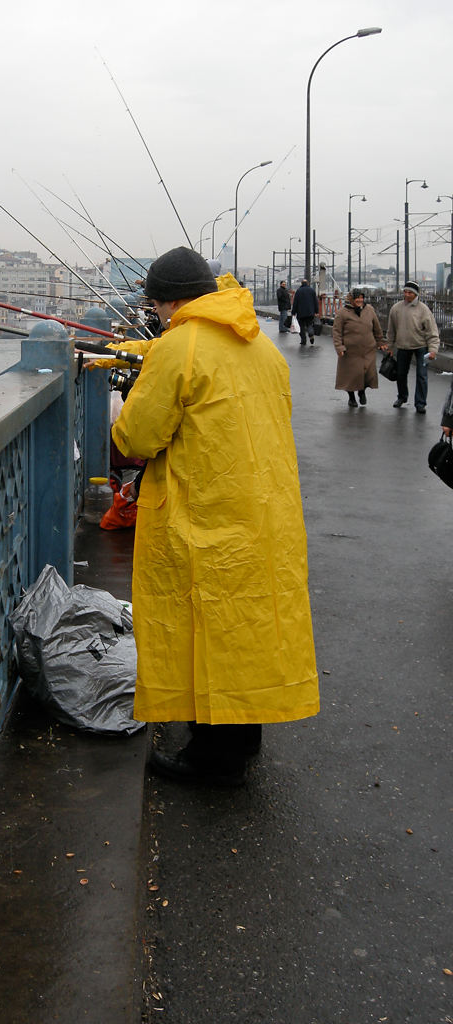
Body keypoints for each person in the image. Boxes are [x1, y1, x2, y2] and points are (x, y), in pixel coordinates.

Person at [110, 247, 319, 786]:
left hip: (203, 511)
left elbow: (136, 436)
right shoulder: (259, 343)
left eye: (155, 305)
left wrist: (136, 388)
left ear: (168, 302)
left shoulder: (178, 347)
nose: (155, 315)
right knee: (245, 628)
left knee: (206, 628)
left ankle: (214, 761)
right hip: (263, 510)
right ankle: (243, 739)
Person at [387, 281, 440, 413]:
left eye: (410, 292)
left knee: (422, 376)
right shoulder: (396, 308)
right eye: (405, 291)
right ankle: (402, 397)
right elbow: (391, 330)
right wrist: (390, 346)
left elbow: (432, 332)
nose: (407, 294)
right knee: (400, 374)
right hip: (402, 346)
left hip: (421, 346)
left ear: (416, 294)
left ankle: (420, 403)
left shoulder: (423, 309)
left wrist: (433, 350)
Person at [331, 289, 387, 407]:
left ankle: (362, 392)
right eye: (357, 298)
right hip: (350, 352)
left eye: (362, 298)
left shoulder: (369, 310)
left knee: (367, 374)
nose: (360, 300)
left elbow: (377, 328)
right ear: (351, 299)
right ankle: (351, 398)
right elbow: (336, 332)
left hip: (368, 350)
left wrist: (380, 341)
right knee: (350, 376)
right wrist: (339, 347)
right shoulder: (342, 313)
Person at [291, 278, 319, 346]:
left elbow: (295, 302)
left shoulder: (298, 291)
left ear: (301, 284)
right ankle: (311, 333)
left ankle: (303, 340)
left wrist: (293, 312)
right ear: (308, 284)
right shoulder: (312, 290)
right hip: (310, 312)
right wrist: (316, 311)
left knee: (301, 327)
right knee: (309, 324)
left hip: (301, 313)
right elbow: (316, 302)